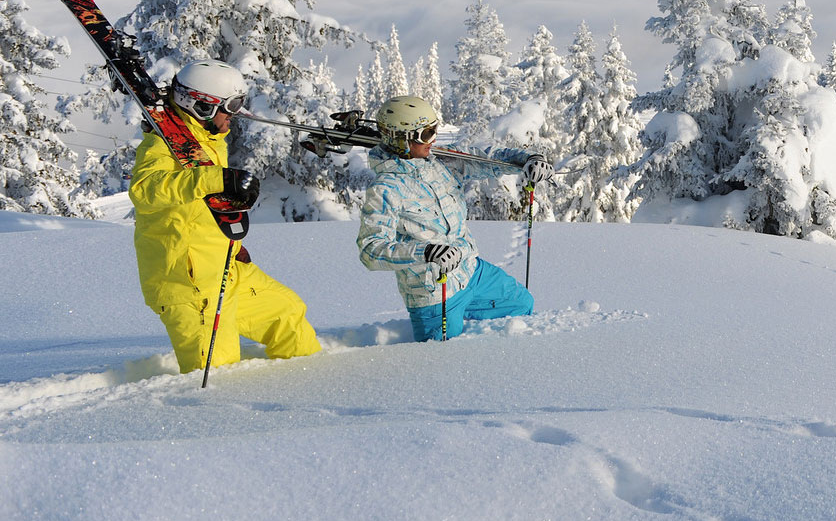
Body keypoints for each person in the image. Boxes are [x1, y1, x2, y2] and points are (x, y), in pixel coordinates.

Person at [130, 60, 322, 373]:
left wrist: (232, 248)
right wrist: (217, 180)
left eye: (240, 104)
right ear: (200, 106)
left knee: (287, 313)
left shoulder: (206, 141)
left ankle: (310, 386)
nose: (235, 113)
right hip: (188, 284)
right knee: (219, 369)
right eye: (230, 105)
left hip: (225, 270)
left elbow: (200, 210)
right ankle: (221, 418)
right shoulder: (159, 147)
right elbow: (145, 190)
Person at [357, 95, 544, 341]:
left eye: (434, 130)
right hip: (434, 292)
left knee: (521, 304)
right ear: (400, 140)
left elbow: (483, 159)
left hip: (471, 271)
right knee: (442, 360)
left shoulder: (438, 163)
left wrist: (527, 160)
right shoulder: (386, 189)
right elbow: (371, 251)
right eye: (425, 134)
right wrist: (425, 252)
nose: (433, 139)